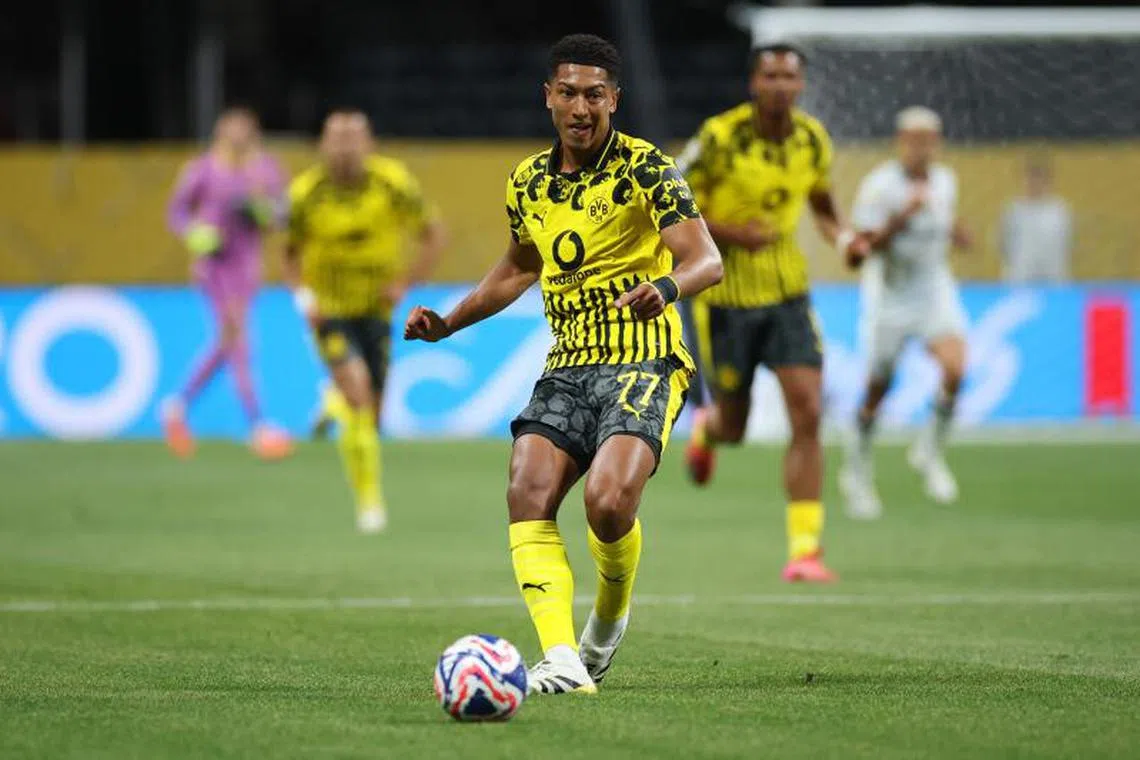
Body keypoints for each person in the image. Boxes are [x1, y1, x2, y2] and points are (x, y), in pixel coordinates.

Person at [405, 34, 722, 695]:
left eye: (596, 94)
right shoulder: (527, 181)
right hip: (569, 364)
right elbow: (519, 268)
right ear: (549, 96)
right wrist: (449, 322)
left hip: (644, 360)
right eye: (570, 92)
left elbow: (706, 259)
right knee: (527, 490)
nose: (582, 107)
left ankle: (605, 623)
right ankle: (561, 659)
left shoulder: (646, 168)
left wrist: (663, 288)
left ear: (614, 99)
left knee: (608, 505)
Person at [676, 43, 868, 582]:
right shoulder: (719, 138)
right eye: (770, 76)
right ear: (753, 83)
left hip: (788, 294)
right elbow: (668, 201)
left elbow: (825, 210)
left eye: (790, 76)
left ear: (801, 84)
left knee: (807, 413)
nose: (781, 85)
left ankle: (805, 552)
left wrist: (847, 239)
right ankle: (707, 431)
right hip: (725, 300)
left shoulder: (812, 140)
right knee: (734, 427)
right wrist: (734, 233)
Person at [286, 109, 445, 534]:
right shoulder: (306, 192)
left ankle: (332, 404)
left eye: (353, 137)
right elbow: (289, 251)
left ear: (369, 143)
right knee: (359, 397)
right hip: (331, 311)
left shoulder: (392, 183)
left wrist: (406, 282)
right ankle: (370, 501)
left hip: (377, 312)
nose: (344, 147)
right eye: (336, 137)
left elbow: (432, 232)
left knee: (371, 418)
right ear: (322, 144)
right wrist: (304, 297)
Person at [840, 106, 972, 518]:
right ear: (901, 142)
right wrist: (902, 218)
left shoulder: (945, 182)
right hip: (890, 297)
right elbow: (864, 246)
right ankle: (857, 469)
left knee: (955, 369)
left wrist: (956, 232)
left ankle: (928, 451)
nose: (921, 148)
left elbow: (942, 221)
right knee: (879, 389)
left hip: (933, 290)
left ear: (937, 144)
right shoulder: (880, 186)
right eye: (913, 140)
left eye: (928, 140)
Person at [162, 107, 292, 461]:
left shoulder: (265, 169)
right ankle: (259, 425)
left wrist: (262, 211)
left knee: (227, 343)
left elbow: (283, 213)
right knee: (238, 339)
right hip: (215, 265)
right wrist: (196, 234)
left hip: (247, 266)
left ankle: (177, 407)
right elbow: (176, 212)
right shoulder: (202, 169)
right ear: (220, 133)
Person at [1001, 157, 1072, 284]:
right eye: (1030, 179)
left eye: (1039, 179)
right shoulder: (1013, 210)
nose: (1034, 184)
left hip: (1053, 278)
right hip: (1020, 279)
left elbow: (1067, 243)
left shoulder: (1059, 210)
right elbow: (1003, 244)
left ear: (1047, 182)